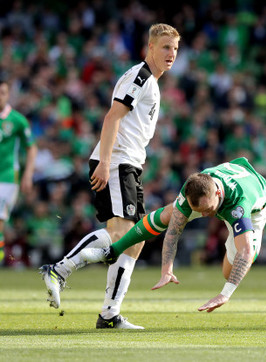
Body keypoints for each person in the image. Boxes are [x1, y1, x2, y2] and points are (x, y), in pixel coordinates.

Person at [39, 23, 180, 329]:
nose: (172, 54)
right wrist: (105, 162)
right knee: (122, 235)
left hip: (129, 163)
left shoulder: (152, 82)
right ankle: (58, 270)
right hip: (116, 161)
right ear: (151, 47)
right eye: (166, 47)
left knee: (135, 240)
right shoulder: (140, 76)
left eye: (176, 48)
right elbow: (112, 117)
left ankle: (109, 314)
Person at [82, 157, 266, 313]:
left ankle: (231, 244)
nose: (204, 216)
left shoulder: (239, 204)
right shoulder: (193, 187)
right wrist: (167, 269)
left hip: (255, 208)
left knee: (230, 270)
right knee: (169, 214)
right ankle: (113, 250)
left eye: (207, 210)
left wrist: (225, 294)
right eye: (200, 210)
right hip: (227, 181)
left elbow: (245, 251)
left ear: (218, 194)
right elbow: (173, 231)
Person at [0, 79, 37, 265]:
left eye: (3, 92)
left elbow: (31, 147)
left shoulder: (17, 120)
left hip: (7, 177)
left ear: (8, 95)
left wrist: (28, 174)